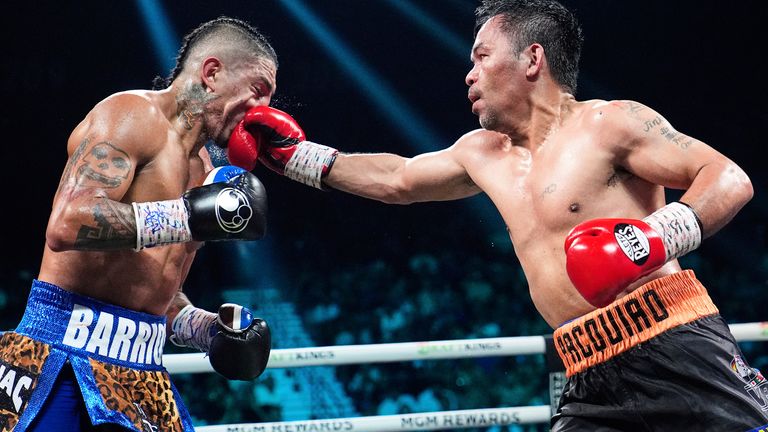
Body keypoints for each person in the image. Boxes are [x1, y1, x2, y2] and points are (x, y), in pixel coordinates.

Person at [226, 1, 768, 430]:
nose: (469, 74)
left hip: (673, 342)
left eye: (482, 57)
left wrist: (649, 239)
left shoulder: (610, 124)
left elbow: (727, 178)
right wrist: (295, 158)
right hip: (587, 372)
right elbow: (397, 179)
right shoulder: (481, 152)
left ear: (532, 59)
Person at [0, 17, 276, 432]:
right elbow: (67, 223)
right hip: (65, 356)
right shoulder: (132, 115)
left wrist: (205, 330)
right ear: (212, 72)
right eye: (258, 90)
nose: (264, 110)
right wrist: (187, 216)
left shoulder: (204, 170)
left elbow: (155, 287)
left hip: (143, 374)